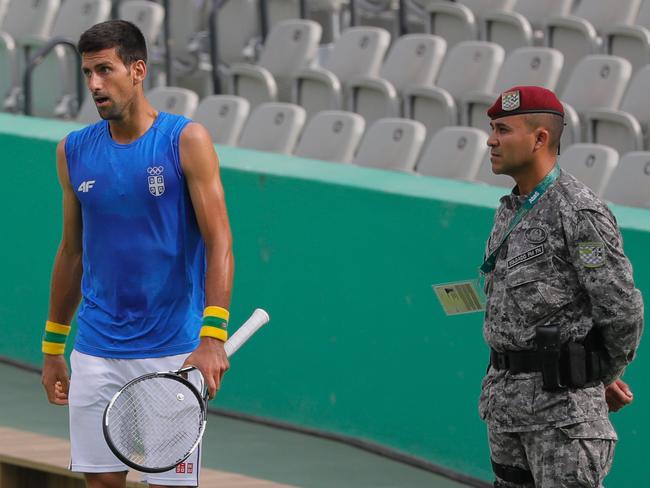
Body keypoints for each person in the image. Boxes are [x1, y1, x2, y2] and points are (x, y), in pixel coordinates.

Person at [40, 20, 234, 488]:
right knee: (102, 484)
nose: (94, 85)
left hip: (172, 351)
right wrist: (52, 349)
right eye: (88, 73)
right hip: (96, 348)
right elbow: (71, 253)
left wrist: (212, 335)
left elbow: (220, 241)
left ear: (138, 70)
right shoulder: (73, 151)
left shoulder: (186, 141)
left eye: (105, 70)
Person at [479, 85, 644, 487]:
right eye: (492, 129)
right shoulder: (512, 209)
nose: (490, 140)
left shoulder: (577, 212)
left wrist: (596, 374)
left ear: (540, 139)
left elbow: (621, 308)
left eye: (503, 129)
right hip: (507, 409)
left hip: (563, 419)